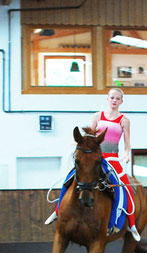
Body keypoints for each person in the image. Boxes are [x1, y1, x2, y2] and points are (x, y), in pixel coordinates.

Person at [45, 88, 140, 241]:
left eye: (117, 98)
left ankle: (131, 224)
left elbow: (127, 143)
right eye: (112, 97)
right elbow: (89, 136)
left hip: (113, 159)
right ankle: (57, 211)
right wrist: (79, 143)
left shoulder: (124, 120)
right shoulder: (97, 116)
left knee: (124, 188)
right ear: (107, 99)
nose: (114, 100)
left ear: (121, 101)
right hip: (95, 156)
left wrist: (127, 153)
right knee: (69, 179)